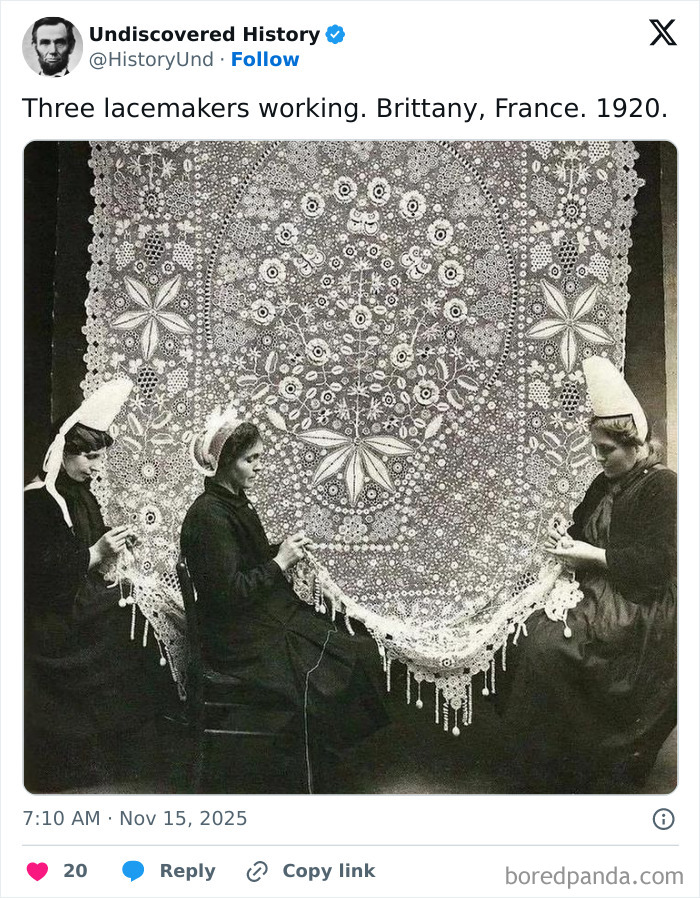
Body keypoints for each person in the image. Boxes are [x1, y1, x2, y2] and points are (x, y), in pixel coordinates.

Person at [180, 409, 388, 790]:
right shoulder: (208, 516)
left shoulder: (234, 502)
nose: (258, 467)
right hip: (236, 638)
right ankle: (311, 767)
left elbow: (249, 560)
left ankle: (322, 756)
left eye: (259, 457)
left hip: (257, 619)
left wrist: (283, 550)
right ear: (224, 464)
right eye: (250, 460)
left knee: (351, 640)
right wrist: (280, 561)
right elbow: (229, 594)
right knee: (344, 658)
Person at [501, 357, 676, 792]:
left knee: (550, 647)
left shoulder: (664, 487)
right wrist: (566, 536)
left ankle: (587, 763)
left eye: (607, 450)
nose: (599, 458)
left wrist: (594, 555)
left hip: (639, 601)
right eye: (595, 448)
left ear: (635, 445)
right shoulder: (604, 483)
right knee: (521, 629)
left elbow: (658, 565)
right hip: (597, 589)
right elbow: (581, 530)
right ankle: (551, 760)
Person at [24, 380, 172, 791]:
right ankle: (120, 746)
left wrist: (115, 540)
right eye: (89, 457)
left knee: (146, 608)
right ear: (62, 454)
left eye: (99, 458)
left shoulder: (80, 494)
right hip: (52, 616)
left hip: (79, 597)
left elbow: (93, 536)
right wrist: (95, 553)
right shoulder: (38, 501)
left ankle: (132, 739)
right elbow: (39, 576)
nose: (95, 467)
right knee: (132, 618)